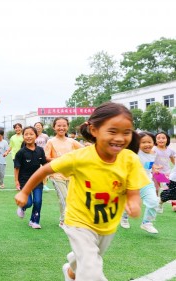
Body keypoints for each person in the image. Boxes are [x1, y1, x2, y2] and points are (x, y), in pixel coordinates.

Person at [15, 102, 149, 281]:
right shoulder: (80, 157)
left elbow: (133, 188)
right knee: (91, 269)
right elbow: (45, 170)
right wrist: (25, 192)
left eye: (126, 133)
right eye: (112, 131)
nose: (120, 138)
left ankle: (71, 272)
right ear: (94, 130)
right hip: (79, 222)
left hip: (107, 225)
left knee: (88, 259)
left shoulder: (130, 159)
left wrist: (133, 202)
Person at [44, 117, 83, 227]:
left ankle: (69, 219)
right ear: (54, 127)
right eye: (59, 125)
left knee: (71, 198)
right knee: (64, 197)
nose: (61, 128)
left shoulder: (71, 141)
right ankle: (63, 220)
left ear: (67, 127)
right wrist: (59, 160)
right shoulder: (51, 142)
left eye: (64, 125)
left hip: (71, 175)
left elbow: (84, 150)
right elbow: (46, 157)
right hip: (56, 174)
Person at [119, 132, 159, 234]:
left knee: (154, 201)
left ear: (153, 143)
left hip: (146, 182)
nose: (147, 144)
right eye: (143, 142)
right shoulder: (134, 152)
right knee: (130, 203)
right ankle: (124, 218)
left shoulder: (154, 153)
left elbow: (148, 164)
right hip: (132, 183)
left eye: (149, 142)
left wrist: (154, 168)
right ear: (137, 144)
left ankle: (147, 223)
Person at [14, 126, 47, 229]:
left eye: (31, 134)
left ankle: (34, 221)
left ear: (36, 136)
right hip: (24, 181)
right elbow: (16, 168)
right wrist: (16, 181)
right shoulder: (21, 152)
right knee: (28, 203)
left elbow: (44, 164)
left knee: (38, 201)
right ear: (23, 137)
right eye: (26, 134)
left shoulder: (40, 150)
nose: (29, 136)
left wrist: (45, 177)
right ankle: (22, 207)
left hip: (37, 180)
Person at [153, 131, 176, 213]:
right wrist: (155, 167)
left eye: (163, 138)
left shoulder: (170, 150)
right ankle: (156, 204)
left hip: (167, 173)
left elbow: (172, 159)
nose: (161, 140)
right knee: (156, 189)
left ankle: (172, 204)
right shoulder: (153, 149)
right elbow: (149, 161)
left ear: (167, 140)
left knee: (169, 188)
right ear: (155, 140)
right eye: (158, 138)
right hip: (156, 173)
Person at [34, 121, 51, 192]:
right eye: (36, 126)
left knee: (44, 170)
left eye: (39, 126)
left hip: (43, 155)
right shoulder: (33, 135)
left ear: (42, 127)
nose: (38, 127)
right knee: (35, 170)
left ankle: (44, 185)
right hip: (34, 155)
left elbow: (49, 145)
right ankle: (35, 184)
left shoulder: (45, 136)